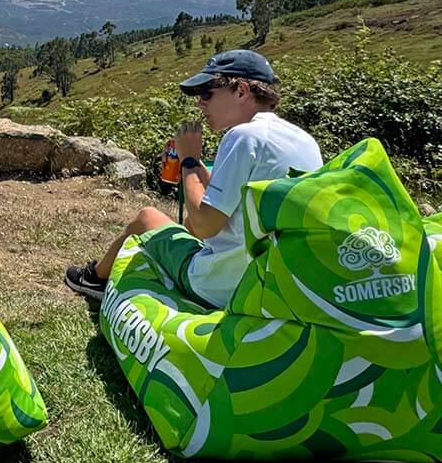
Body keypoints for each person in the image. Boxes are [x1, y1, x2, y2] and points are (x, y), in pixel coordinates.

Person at [64, 49, 322, 308]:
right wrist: (197, 167)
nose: (200, 102)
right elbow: (235, 204)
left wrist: (188, 161)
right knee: (184, 224)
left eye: (207, 93)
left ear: (242, 91)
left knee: (147, 217)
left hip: (221, 288)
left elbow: (205, 226)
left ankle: (93, 280)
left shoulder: (244, 137)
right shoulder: (303, 139)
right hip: (275, 286)